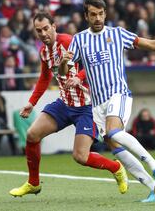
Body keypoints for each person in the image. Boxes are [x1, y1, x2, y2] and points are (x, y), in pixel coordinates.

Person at [61, 0, 155, 202]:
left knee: (114, 131)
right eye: (93, 14)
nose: (97, 18)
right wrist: (64, 64)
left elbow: (147, 44)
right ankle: (153, 188)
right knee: (113, 144)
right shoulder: (79, 40)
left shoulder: (117, 34)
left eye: (101, 14)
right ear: (86, 16)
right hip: (97, 104)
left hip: (118, 93)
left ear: (105, 14)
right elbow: (65, 70)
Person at [9, 11, 129, 198]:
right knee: (32, 135)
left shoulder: (68, 42)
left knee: (80, 156)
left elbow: (90, 65)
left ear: (54, 27)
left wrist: (78, 77)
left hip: (88, 106)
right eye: (38, 31)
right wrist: (32, 103)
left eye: (46, 29)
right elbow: (44, 78)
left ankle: (116, 167)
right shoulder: (44, 52)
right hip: (65, 103)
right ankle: (33, 183)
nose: (43, 34)